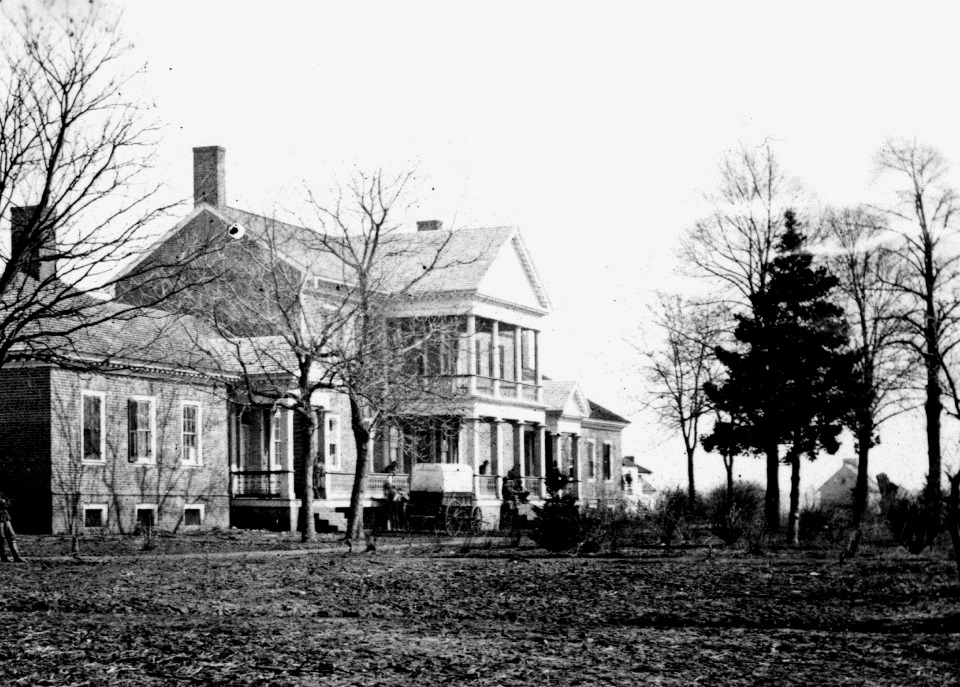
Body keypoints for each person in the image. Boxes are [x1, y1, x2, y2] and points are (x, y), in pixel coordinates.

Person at [0, 491, 24, 563]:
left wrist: (3, 503)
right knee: (1, 539)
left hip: (6, 518)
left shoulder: (0, 493)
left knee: (12, 536)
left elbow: (8, 502)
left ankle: (17, 557)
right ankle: (4, 558)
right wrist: (2, 503)